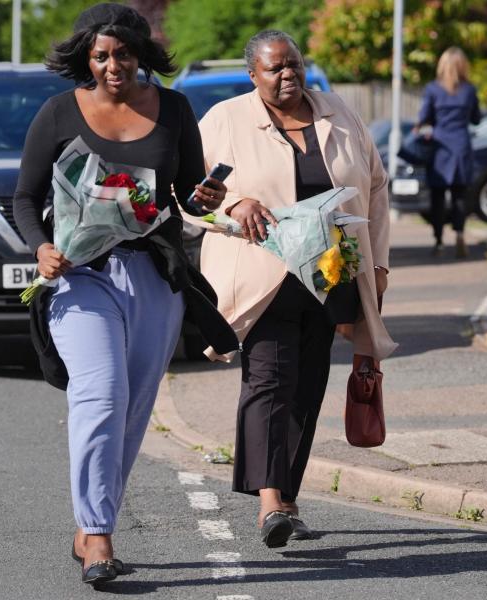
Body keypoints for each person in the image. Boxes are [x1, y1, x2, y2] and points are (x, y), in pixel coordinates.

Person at [12, 3, 227, 587]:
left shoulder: (175, 109)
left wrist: (205, 198)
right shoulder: (59, 113)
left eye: (123, 55)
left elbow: (184, 191)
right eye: (101, 55)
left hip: (153, 276)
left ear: (140, 55)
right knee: (100, 394)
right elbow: (25, 198)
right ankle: (99, 534)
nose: (112, 65)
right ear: (87, 56)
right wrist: (40, 248)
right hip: (82, 276)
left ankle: (90, 523)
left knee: (132, 408)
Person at [196, 30, 397, 548]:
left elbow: (374, 187)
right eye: (274, 69)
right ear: (253, 75)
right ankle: (268, 505)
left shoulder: (339, 113)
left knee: (306, 386)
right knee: (269, 379)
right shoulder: (225, 120)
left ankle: (287, 498)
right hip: (263, 273)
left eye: (294, 65)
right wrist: (233, 204)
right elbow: (188, 194)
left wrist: (378, 268)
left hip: (331, 272)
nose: (288, 75)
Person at [416, 46, 482, 258]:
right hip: (461, 145)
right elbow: (476, 119)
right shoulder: (469, 90)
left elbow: (424, 117)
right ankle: (460, 234)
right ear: (463, 66)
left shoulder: (433, 89)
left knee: (437, 197)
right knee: (459, 196)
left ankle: (438, 241)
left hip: (440, 147)